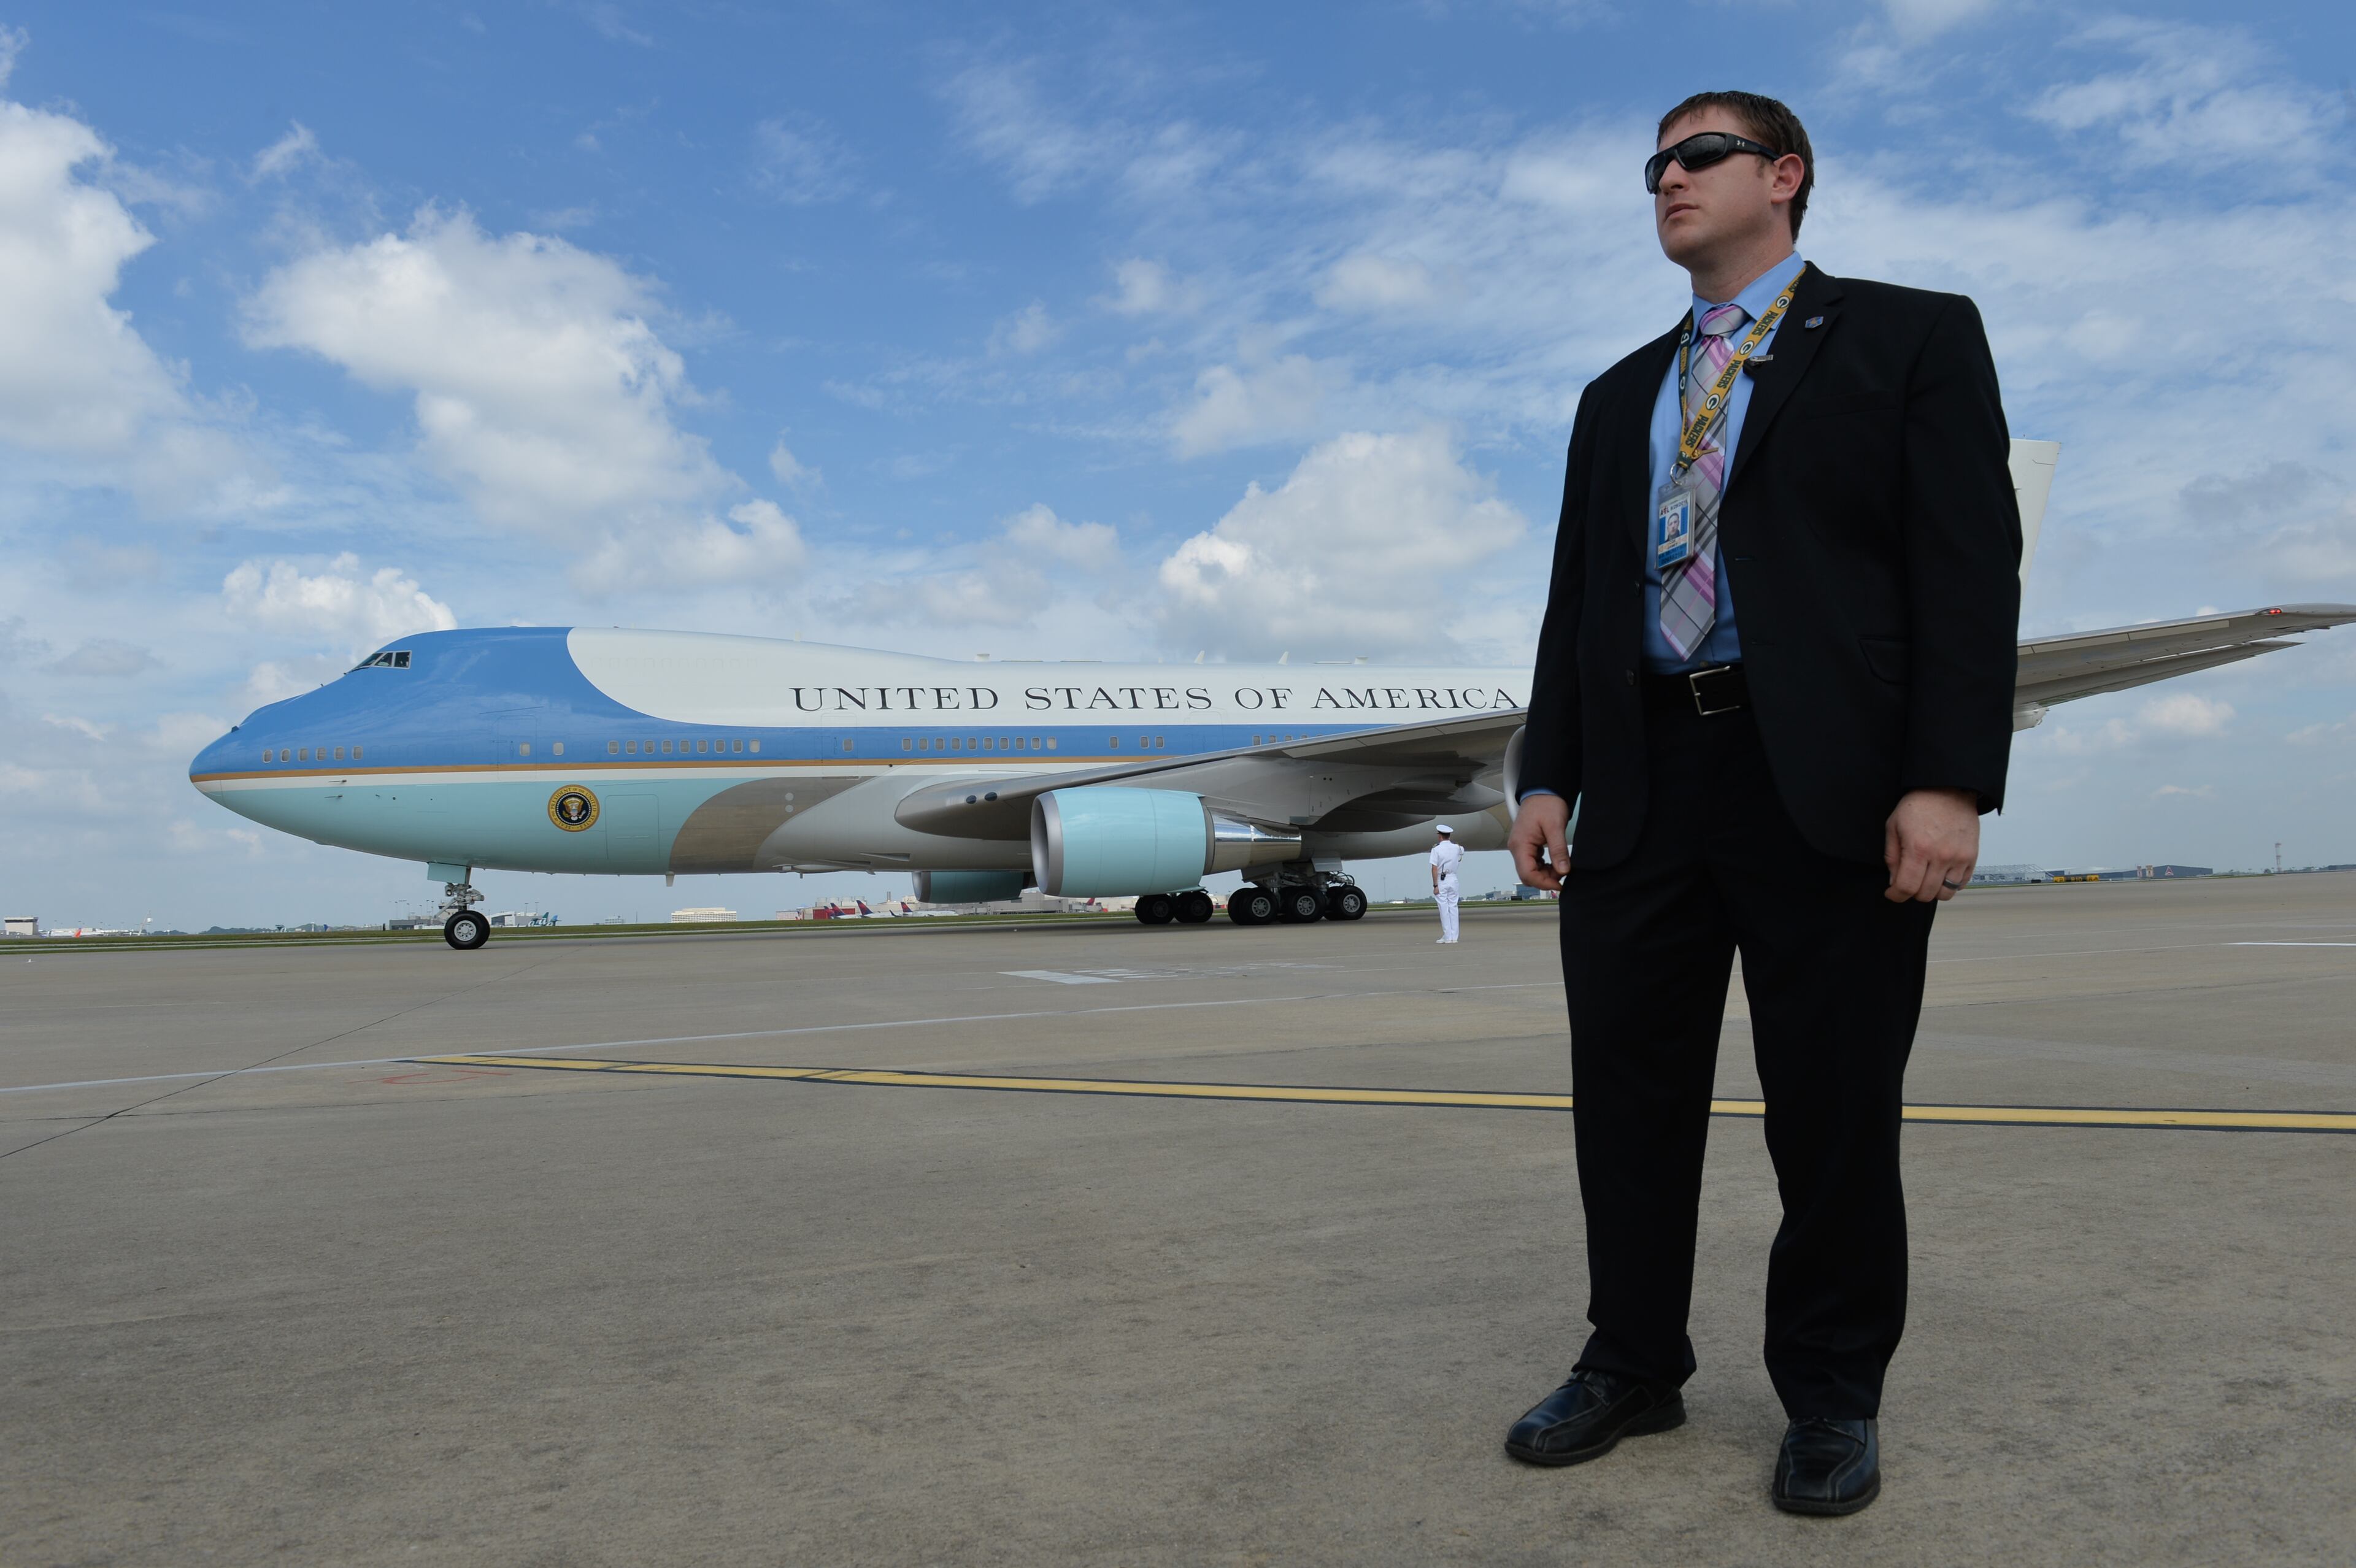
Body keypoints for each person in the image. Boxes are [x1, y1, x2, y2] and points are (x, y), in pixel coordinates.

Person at [1501, 90, 2020, 1516]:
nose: (1661, 181)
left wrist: (1943, 779)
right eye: (1651, 167)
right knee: (1624, 1093)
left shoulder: (1909, 339)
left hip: (1831, 782)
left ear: (1781, 176)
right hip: (1645, 779)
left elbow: (1962, 573)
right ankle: (1632, 1359)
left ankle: (1832, 1391)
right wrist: (1546, 769)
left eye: (1693, 157)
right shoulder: (1617, 398)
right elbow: (1575, 603)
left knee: (1832, 1104)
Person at [1428, 823, 1463, 943]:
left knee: (1444, 908)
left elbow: (1434, 868)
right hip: (1453, 878)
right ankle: (1455, 937)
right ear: (1449, 836)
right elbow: (1462, 851)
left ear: (1440, 836)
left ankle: (1447, 936)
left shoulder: (1436, 849)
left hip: (1442, 879)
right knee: (1453, 907)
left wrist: (1435, 885)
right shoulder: (1457, 848)